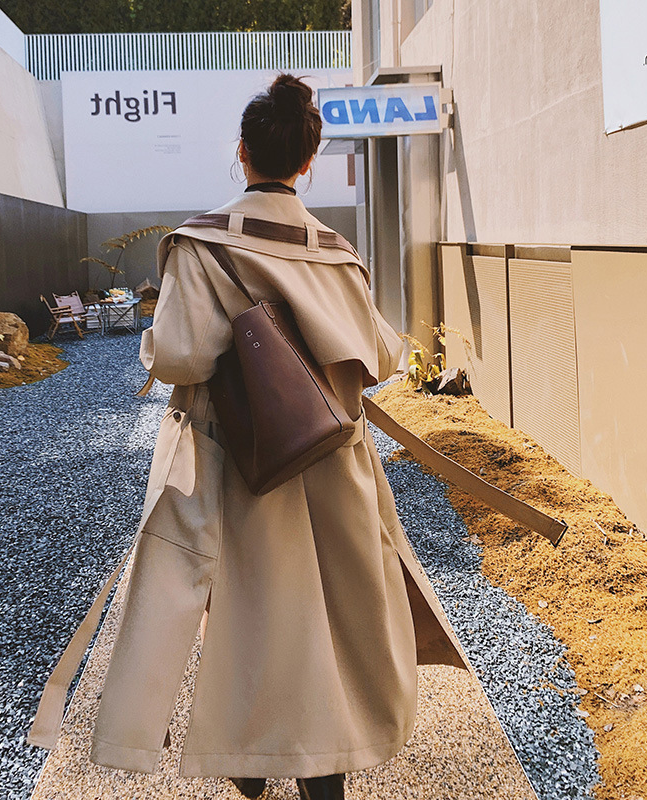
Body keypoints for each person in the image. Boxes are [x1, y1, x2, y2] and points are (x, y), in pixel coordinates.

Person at [87, 74, 468, 799]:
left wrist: (159, 341)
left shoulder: (203, 245)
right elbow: (381, 355)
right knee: (329, 623)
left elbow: (180, 357)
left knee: (253, 614)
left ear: (242, 151)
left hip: (240, 463)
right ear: (308, 162)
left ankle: (252, 761)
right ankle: (323, 773)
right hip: (330, 460)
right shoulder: (337, 252)